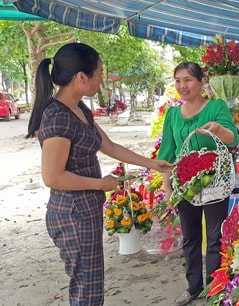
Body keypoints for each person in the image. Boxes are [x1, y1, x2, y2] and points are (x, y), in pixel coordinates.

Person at [25, 42, 173, 306]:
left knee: (90, 283)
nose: (101, 80)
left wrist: (152, 164)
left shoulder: (80, 109)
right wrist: (100, 183)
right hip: (72, 214)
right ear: (81, 77)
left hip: (85, 211)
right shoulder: (58, 117)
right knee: (87, 288)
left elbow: (109, 146)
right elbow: (53, 177)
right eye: (99, 73)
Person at [158, 62, 239, 306]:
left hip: (215, 182)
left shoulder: (216, 107)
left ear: (202, 82)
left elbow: (232, 137)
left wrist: (216, 128)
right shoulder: (172, 114)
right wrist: (167, 187)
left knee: (214, 237)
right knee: (190, 237)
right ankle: (194, 287)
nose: (182, 86)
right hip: (186, 185)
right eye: (178, 80)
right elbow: (168, 152)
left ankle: (214, 291)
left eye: (188, 80)